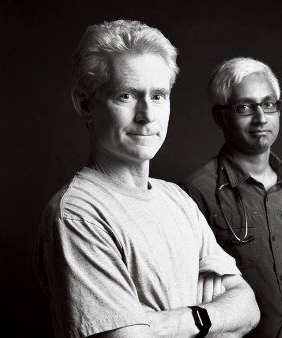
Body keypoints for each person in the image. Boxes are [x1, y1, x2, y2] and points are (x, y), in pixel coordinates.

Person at [34, 20, 259, 338]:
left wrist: (176, 321)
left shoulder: (177, 200)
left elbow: (248, 307)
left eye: (158, 96)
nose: (147, 115)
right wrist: (215, 319)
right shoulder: (77, 213)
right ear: (85, 104)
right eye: (126, 96)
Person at [181, 57, 282, 337]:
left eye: (268, 104)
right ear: (221, 116)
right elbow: (184, 292)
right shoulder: (195, 192)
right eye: (245, 107)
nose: (261, 118)